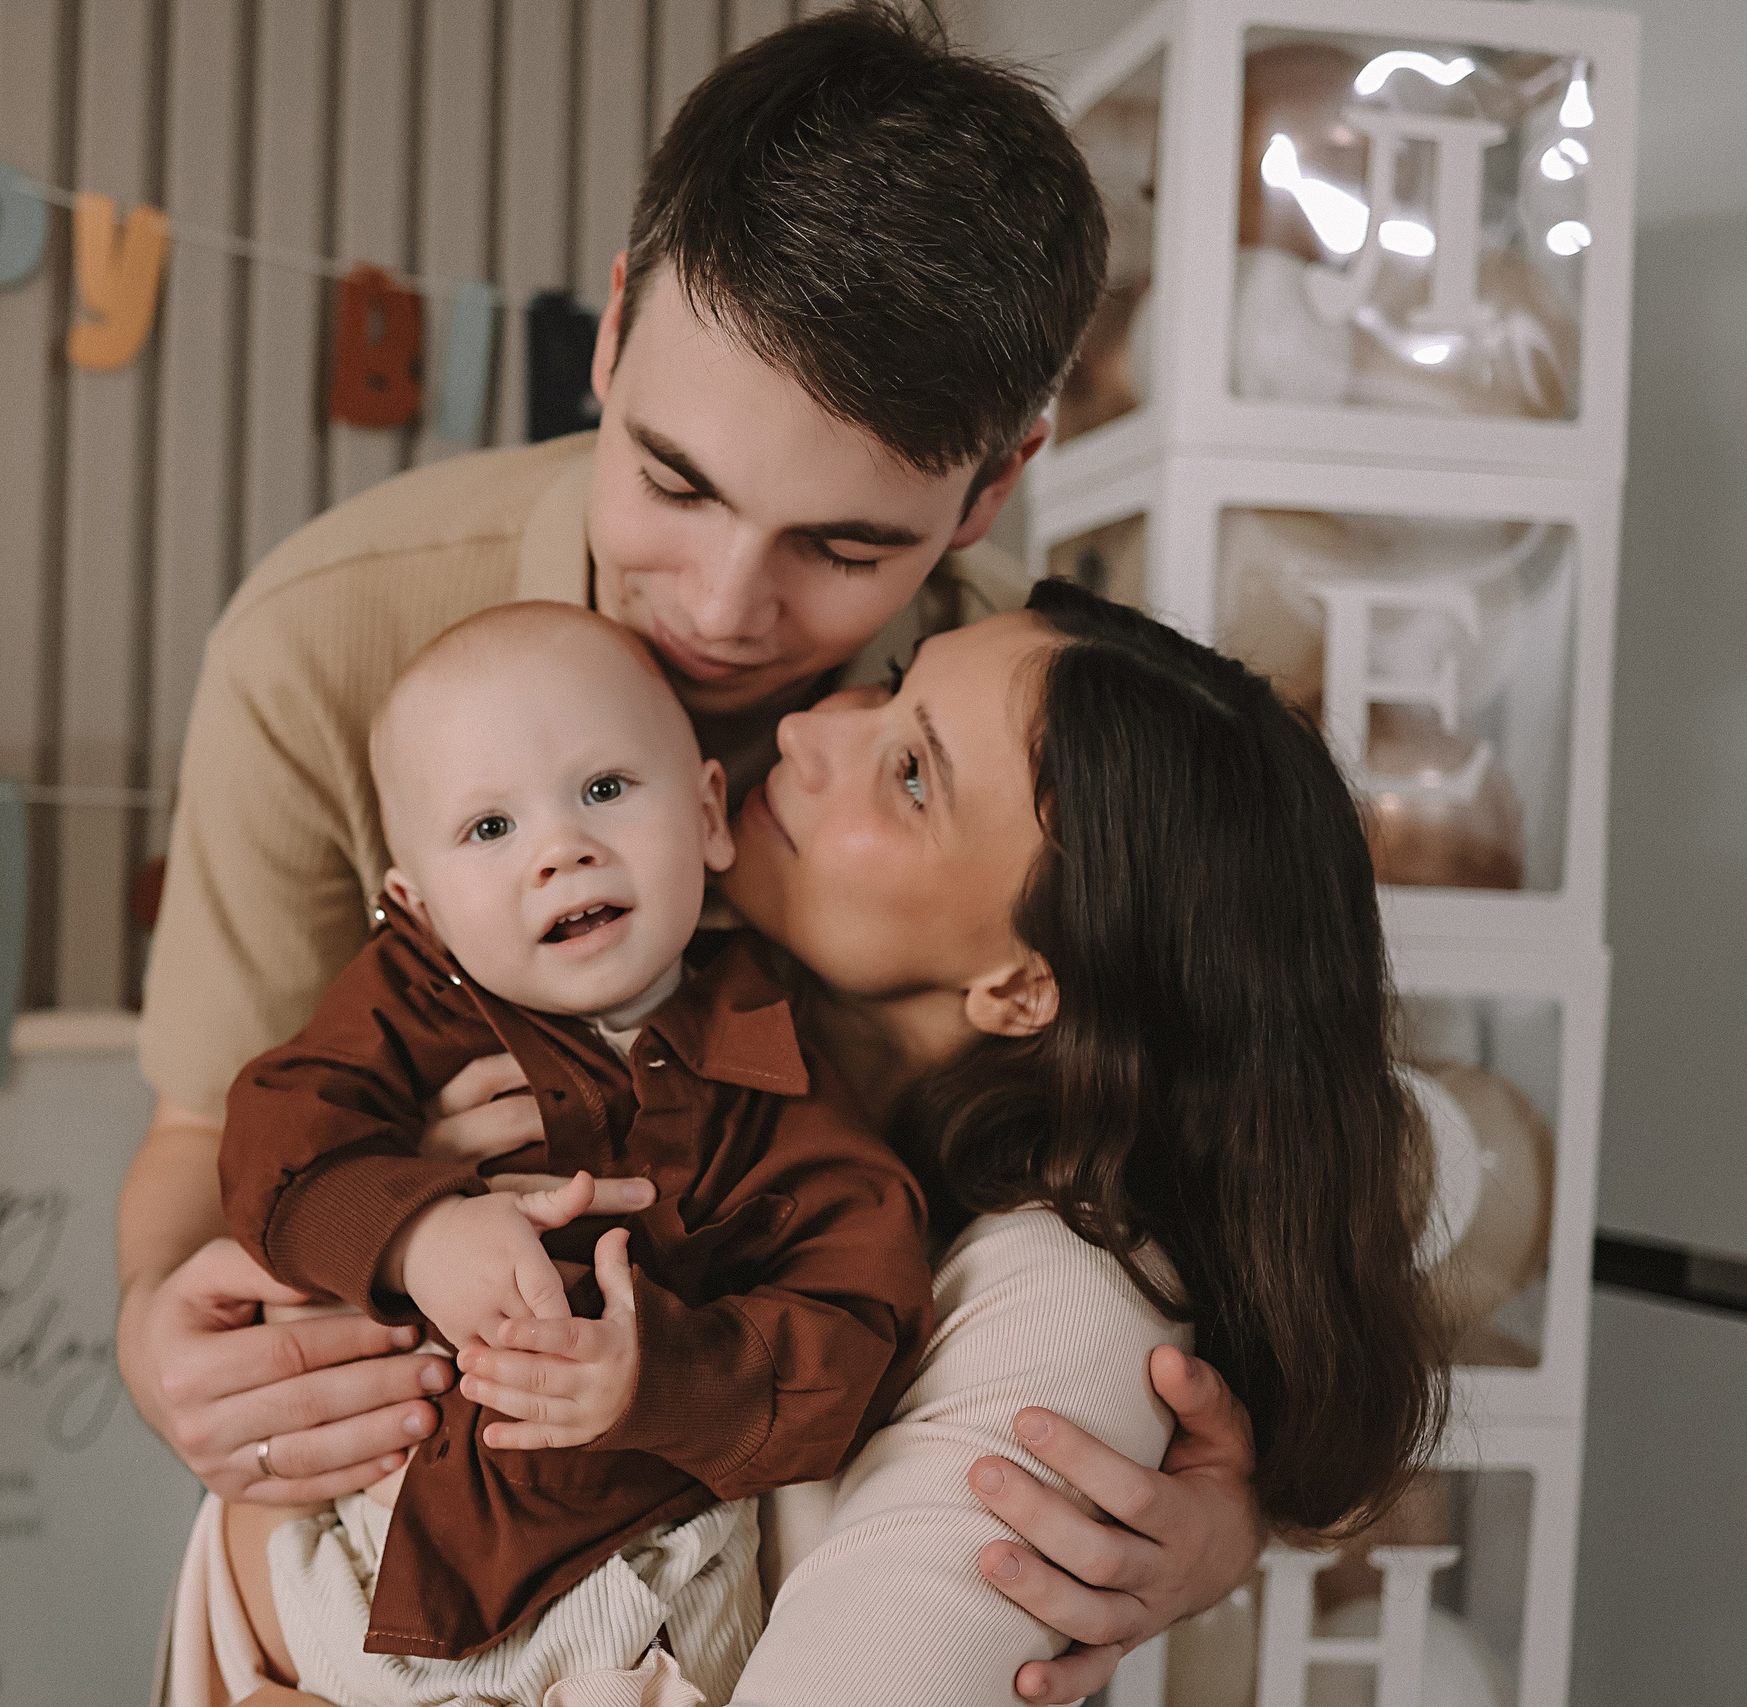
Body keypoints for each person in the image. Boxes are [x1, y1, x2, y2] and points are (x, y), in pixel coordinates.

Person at [123, 11, 1266, 1702]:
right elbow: (210, 1124)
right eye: (673, 479)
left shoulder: (1037, 725)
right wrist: (161, 1328)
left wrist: (1244, 1503)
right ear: (611, 330)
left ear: (994, 485)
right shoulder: (327, 644)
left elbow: (1282, 1157)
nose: (726, 612)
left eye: (845, 545)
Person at [186, 582, 1450, 1705]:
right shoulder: (576, 1002)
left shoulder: (1051, 1292)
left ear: (1020, 988)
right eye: (890, 687)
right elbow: (253, 1137)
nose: (804, 724)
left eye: (909, 774)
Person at [220, 604, 935, 1701]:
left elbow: (857, 1310)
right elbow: (273, 1147)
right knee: (236, 1559)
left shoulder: (768, 1058)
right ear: (416, 905)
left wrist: (662, 1379)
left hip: (650, 1566)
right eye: (488, 830)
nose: (562, 848)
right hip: (404, 1550)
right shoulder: (413, 1006)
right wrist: (414, 1231)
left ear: (706, 814)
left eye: (604, 790)